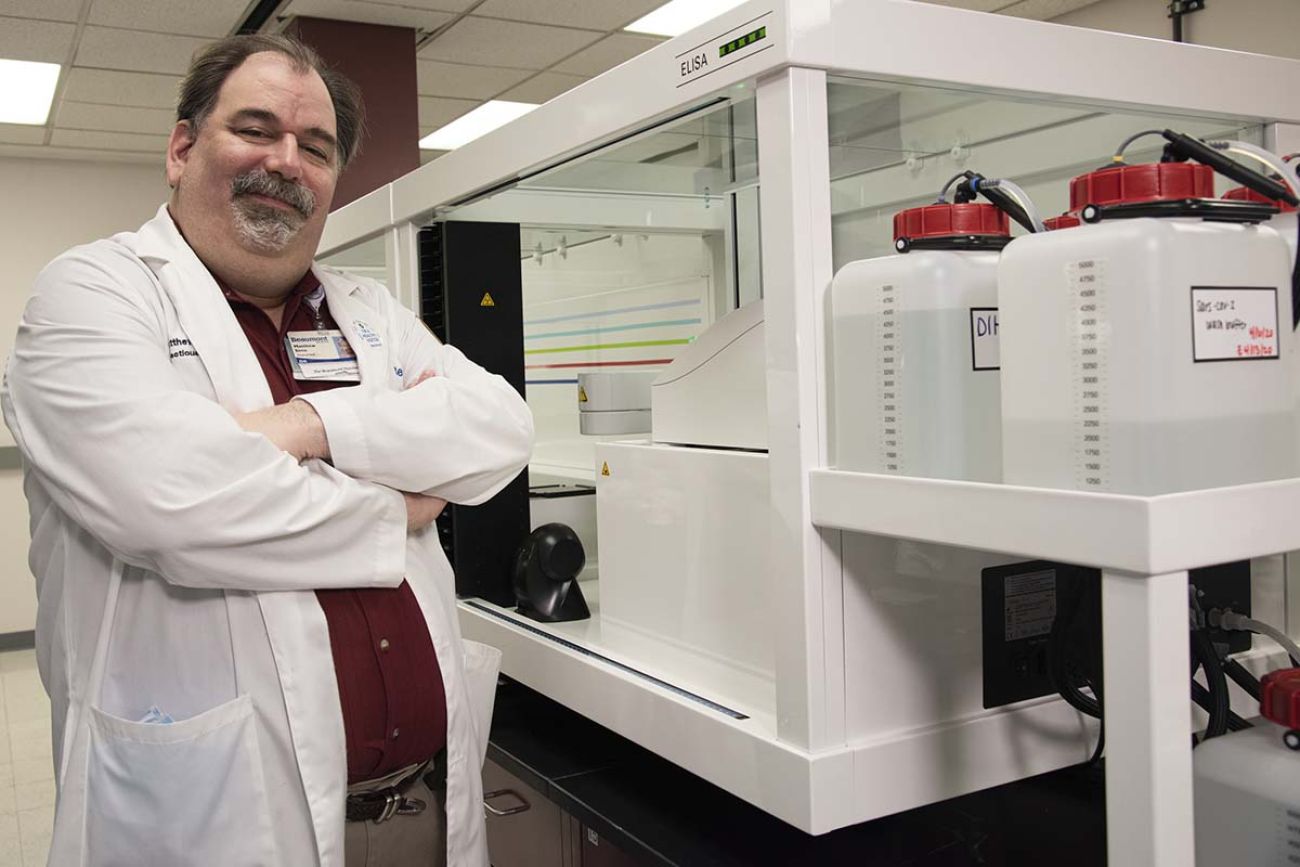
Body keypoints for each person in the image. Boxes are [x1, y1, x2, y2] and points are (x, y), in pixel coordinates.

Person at [1, 34, 532, 867]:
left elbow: (498, 425)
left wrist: (306, 428)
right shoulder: (93, 293)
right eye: (255, 129)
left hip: (424, 803)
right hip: (216, 820)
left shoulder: (369, 311)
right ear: (182, 148)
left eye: (315, 147)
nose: (286, 162)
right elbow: (169, 500)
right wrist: (398, 507)